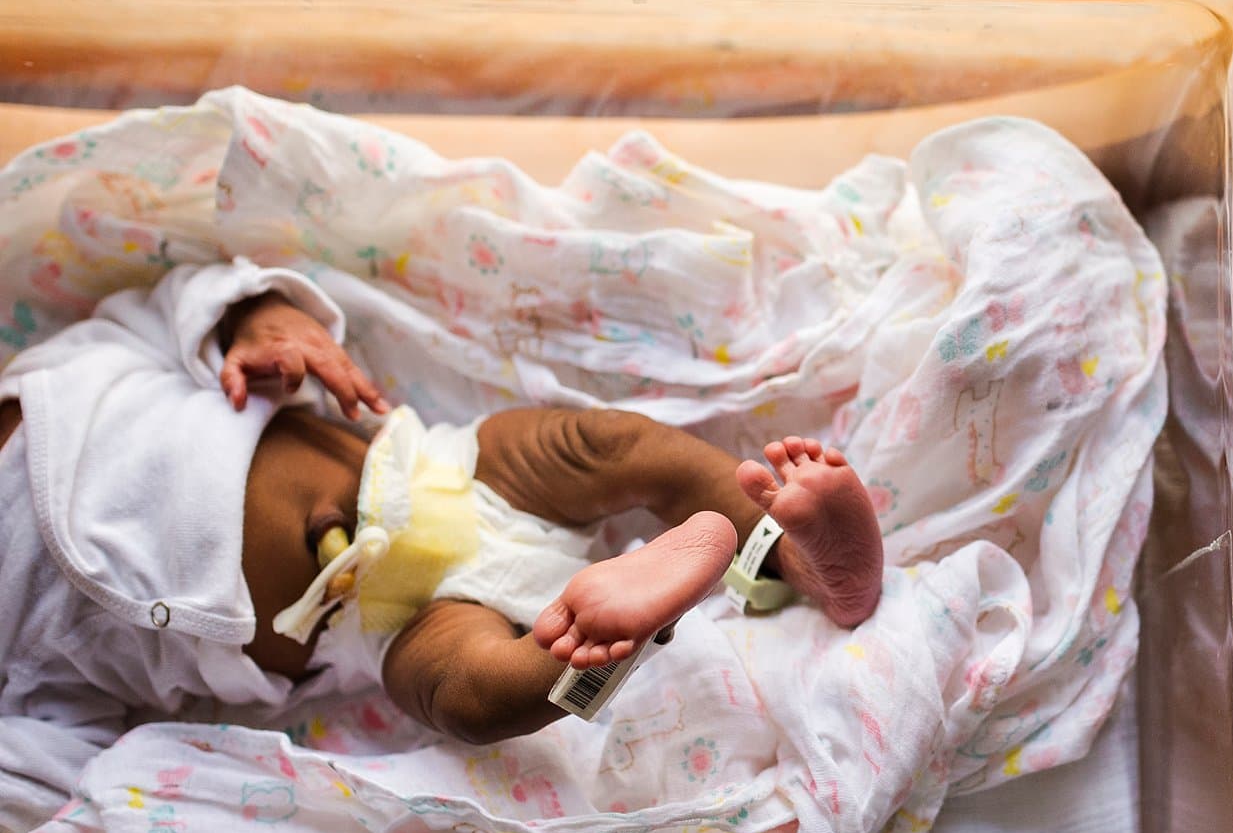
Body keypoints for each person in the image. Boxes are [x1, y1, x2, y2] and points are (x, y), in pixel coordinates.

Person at [0, 259, 885, 754]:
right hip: (387, 623)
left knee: (614, 446)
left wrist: (263, 324)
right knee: (473, 700)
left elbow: (181, 303)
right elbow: (57, 757)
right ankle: (626, 623)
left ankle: (800, 562)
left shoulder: (59, 376)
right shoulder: (15, 658)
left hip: (439, 468)